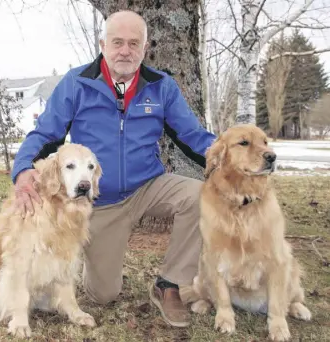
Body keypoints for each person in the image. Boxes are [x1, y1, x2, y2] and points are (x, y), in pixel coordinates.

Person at [11, 10, 216, 328]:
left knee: (201, 195)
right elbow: (45, 134)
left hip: (148, 185)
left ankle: (169, 284)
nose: (125, 50)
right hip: (99, 201)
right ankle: (89, 269)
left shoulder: (161, 87)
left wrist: (233, 162)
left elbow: (194, 137)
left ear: (144, 49)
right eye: (117, 42)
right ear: (102, 44)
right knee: (103, 294)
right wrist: (23, 168)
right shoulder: (77, 83)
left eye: (134, 43)